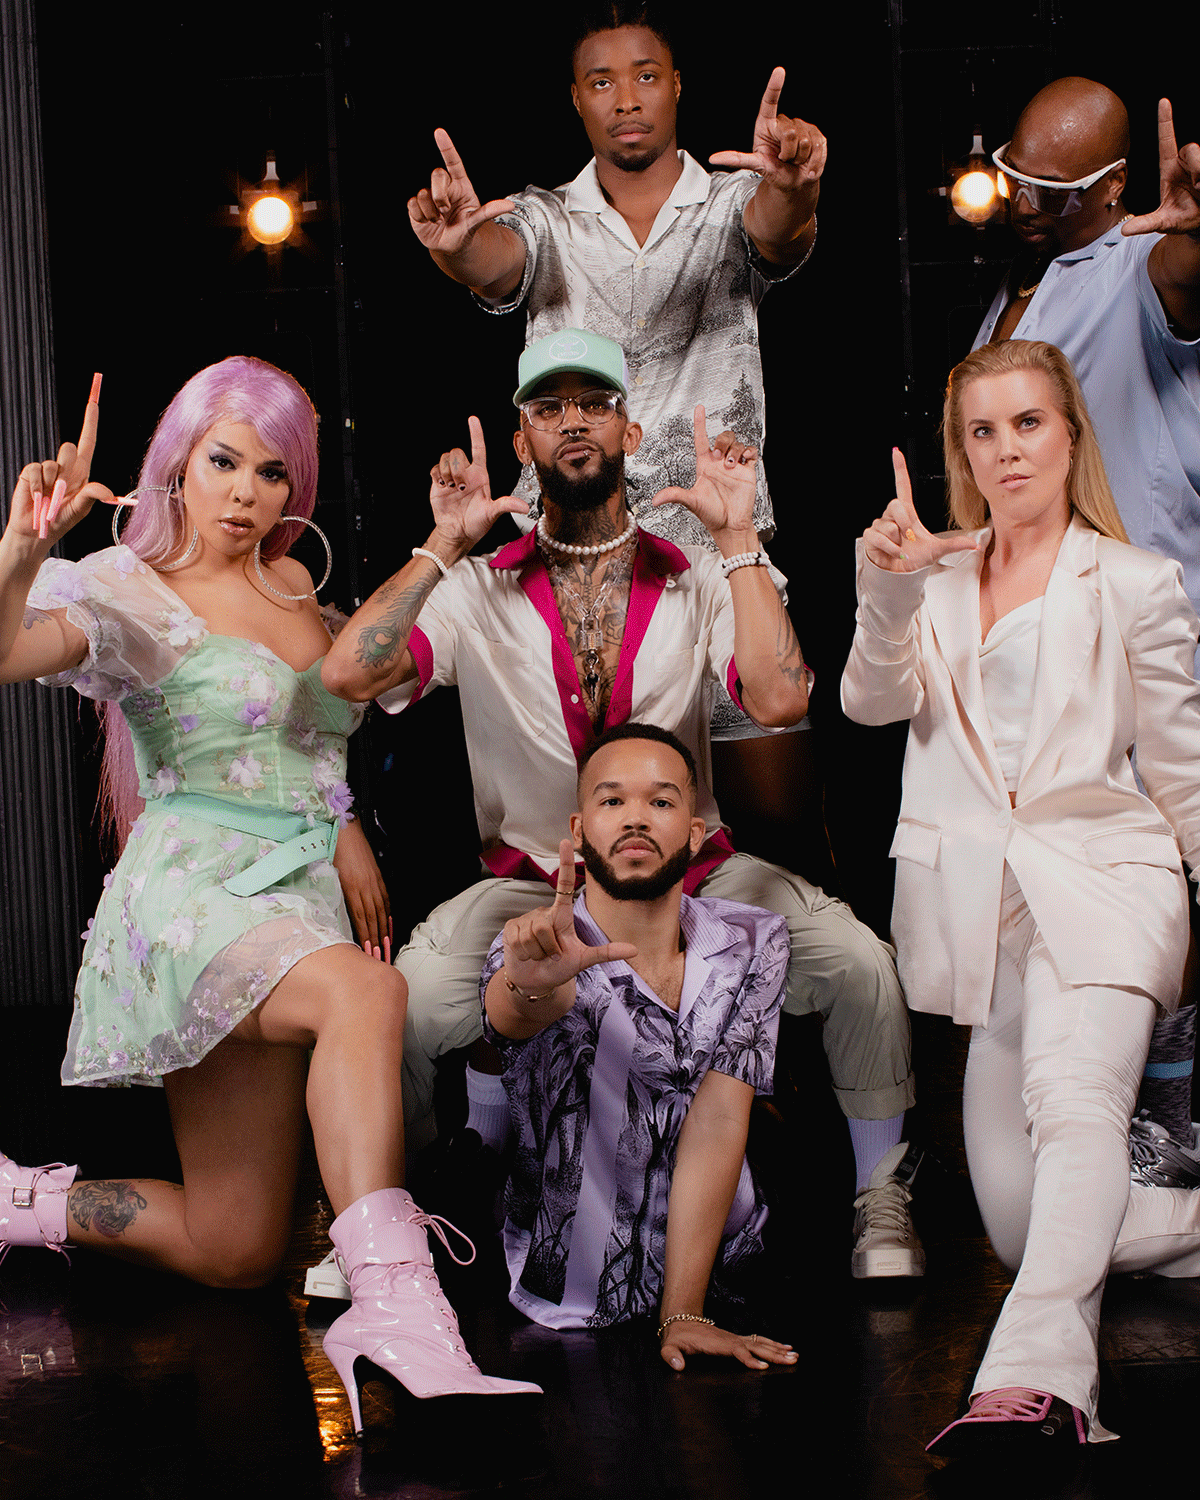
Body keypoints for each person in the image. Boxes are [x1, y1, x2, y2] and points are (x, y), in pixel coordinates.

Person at [0, 358, 538, 1439]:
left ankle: (17, 1203)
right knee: (366, 999)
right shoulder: (124, 589)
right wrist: (20, 555)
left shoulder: (297, 589)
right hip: (193, 897)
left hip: (291, 901)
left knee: (237, 1249)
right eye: (222, 462)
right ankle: (398, 1304)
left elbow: (312, 725)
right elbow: (9, 651)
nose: (246, 491)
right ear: (177, 465)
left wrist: (339, 826)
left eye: (271, 470)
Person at [321, 328, 918, 1281]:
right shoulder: (476, 590)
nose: (573, 423)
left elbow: (779, 697)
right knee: (400, 1005)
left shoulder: (694, 582)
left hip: (696, 881)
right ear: (522, 441)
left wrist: (736, 538)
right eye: (548, 408)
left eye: (592, 404)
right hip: (528, 888)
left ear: (629, 430)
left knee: (857, 965)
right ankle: (394, 1219)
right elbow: (348, 672)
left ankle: (878, 1198)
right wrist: (442, 541)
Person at [841, 338, 1200, 1453]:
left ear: (1071, 432)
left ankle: (1035, 1382)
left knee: (1077, 1105)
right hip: (973, 908)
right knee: (1017, 1219)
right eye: (982, 431)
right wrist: (888, 587)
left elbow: (1184, 763)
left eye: (1027, 424)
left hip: (1108, 878)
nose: (1006, 451)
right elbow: (865, 703)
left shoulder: (1135, 581)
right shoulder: (932, 578)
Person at [407, 4, 829, 870]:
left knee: (778, 833)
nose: (625, 98)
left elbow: (778, 230)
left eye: (644, 76)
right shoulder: (544, 216)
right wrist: (455, 249)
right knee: (598, 845)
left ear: (676, 87)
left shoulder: (729, 203)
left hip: (711, 559)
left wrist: (794, 186)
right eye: (602, 81)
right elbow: (494, 261)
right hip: (570, 573)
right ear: (577, 99)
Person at [973, 77, 1200, 1159]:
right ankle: (1109, 1094)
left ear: (1115, 189)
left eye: (1054, 192)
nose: (1023, 201)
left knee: (1166, 864)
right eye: (1015, 175)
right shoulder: (1023, 287)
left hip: (1148, 628)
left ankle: (1168, 1106)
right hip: (1043, 634)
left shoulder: (1137, 270)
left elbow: (1185, 285)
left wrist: (1197, 235)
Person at [483, 721, 798, 1370]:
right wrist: (528, 986)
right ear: (576, 831)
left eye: (660, 801)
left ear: (695, 832)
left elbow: (717, 1118)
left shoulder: (754, 939)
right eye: (611, 800)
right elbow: (511, 1015)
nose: (634, 819)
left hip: (726, 1264)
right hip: (574, 1291)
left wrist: (683, 1311)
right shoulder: (535, 948)